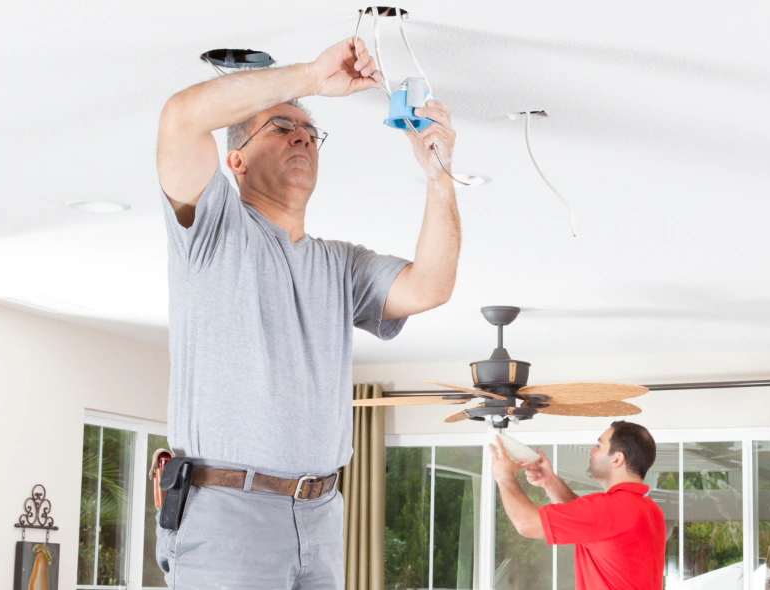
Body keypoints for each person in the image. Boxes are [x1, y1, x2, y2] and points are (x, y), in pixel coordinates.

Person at [154, 36, 460, 589]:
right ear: (236, 161)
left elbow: (430, 286)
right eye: (280, 127)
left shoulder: (340, 265)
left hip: (320, 516)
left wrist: (439, 176)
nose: (301, 135)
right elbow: (179, 119)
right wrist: (311, 78)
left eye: (310, 132)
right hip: (228, 514)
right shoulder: (214, 230)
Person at [490, 421, 666, 590]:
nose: (591, 451)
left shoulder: (612, 508)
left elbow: (527, 524)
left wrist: (504, 477)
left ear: (617, 459)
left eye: (599, 445)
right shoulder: (649, 509)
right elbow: (588, 521)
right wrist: (550, 482)